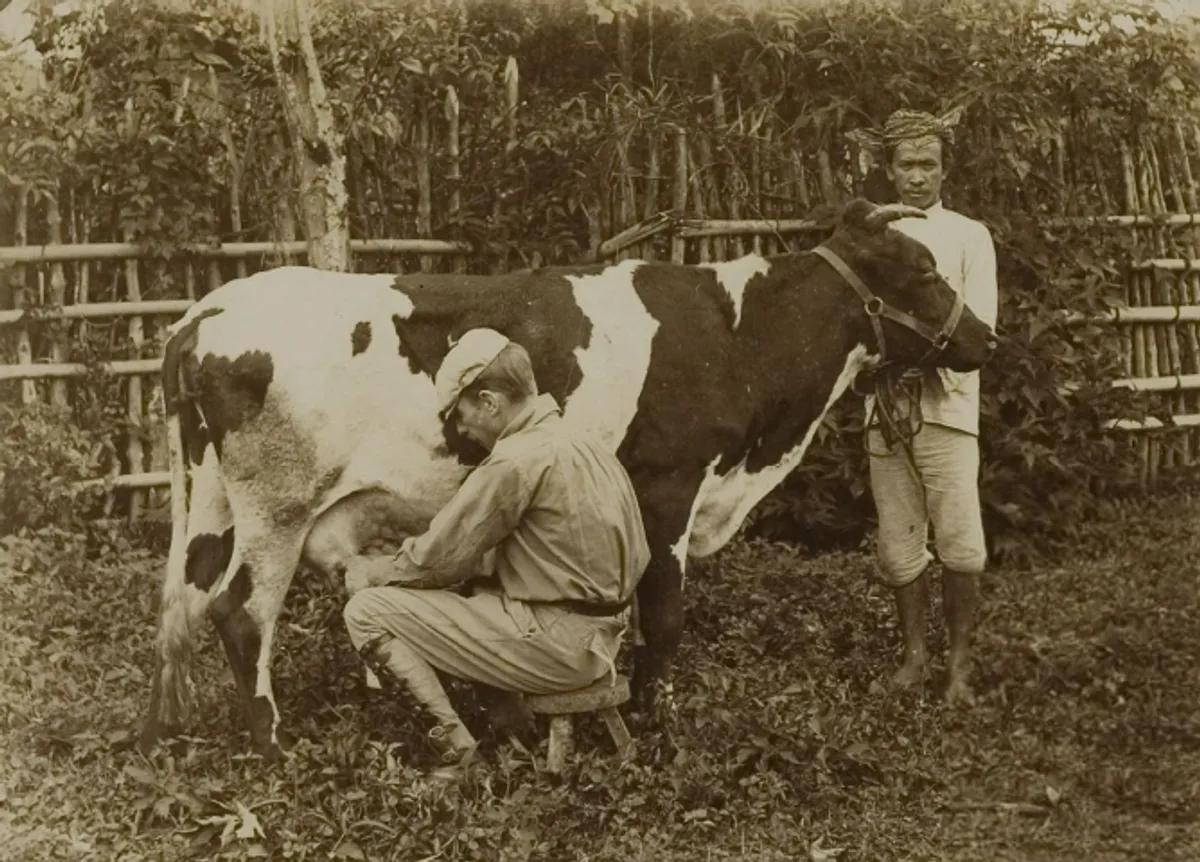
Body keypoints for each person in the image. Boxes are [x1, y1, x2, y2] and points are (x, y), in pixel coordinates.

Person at [341, 328, 651, 765]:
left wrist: (371, 570)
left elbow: (437, 559)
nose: (462, 428)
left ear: (489, 402)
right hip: (604, 638)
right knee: (480, 591)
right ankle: (510, 724)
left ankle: (455, 752)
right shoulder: (586, 445)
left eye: (461, 414)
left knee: (367, 611)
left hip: (562, 649)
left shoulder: (514, 460)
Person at [847, 108, 999, 705]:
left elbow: (976, 332)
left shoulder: (968, 235)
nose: (917, 177)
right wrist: (877, 367)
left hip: (947, 411)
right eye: (906, 165)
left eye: (928, 165)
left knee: (960, 539)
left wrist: (902, 357)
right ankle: (915, 656)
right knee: (897, 542)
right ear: (887, 169)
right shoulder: (876, 237)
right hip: (885, 411)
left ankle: (960, 664)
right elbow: (861, 326)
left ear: (944, 169)